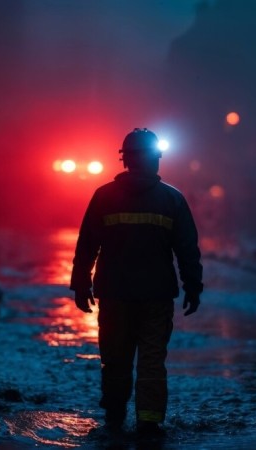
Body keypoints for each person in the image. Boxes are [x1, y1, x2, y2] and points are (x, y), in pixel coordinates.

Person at [70, 128, 204, 436]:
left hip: (114, 295)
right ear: (156, 159)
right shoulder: (172, 199)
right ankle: (149, 420)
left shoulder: (104, 197)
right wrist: (193, 286)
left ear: (125, 160)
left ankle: (115, 418)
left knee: (115, 358)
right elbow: (187, 248)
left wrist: (81, 283)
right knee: (152, 361)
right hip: (156, 297)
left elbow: (87, 244)